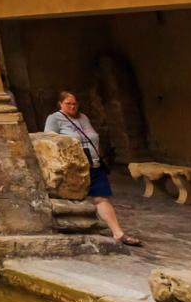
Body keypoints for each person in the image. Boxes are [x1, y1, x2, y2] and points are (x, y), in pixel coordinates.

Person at [44, 91, 141, 247]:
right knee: (72, 200)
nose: (72, 106)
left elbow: (93, 137)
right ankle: (69, 233)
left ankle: (118, 233)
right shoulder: (54, 118)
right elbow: (49, 139)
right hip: (73, 167)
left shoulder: (83, 118)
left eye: (75, 103)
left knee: (102, 197)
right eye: (68, 103)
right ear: (60, 104)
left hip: (94, 164)